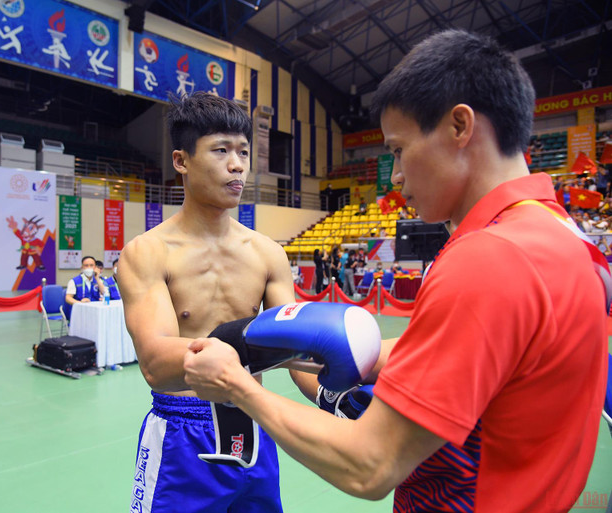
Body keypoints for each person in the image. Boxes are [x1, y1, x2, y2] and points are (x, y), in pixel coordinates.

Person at [182, 29, 608, 512]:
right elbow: (495, 354)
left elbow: (370, 465)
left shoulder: (489, 260)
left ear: (459, 127)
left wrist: (237, 388)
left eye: (399, 150)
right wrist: (333, 352)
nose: (397, 176)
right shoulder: (563, 234)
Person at [117, 92, 295, 512]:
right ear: (181, 161)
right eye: (221, 150)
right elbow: (156, 365)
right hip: (184, 432)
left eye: (244, 152)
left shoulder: (269, 253)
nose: (237, 165)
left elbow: (295, 347)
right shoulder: (148, 253)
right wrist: (248, 344)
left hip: (256, 422)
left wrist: (339, 387)